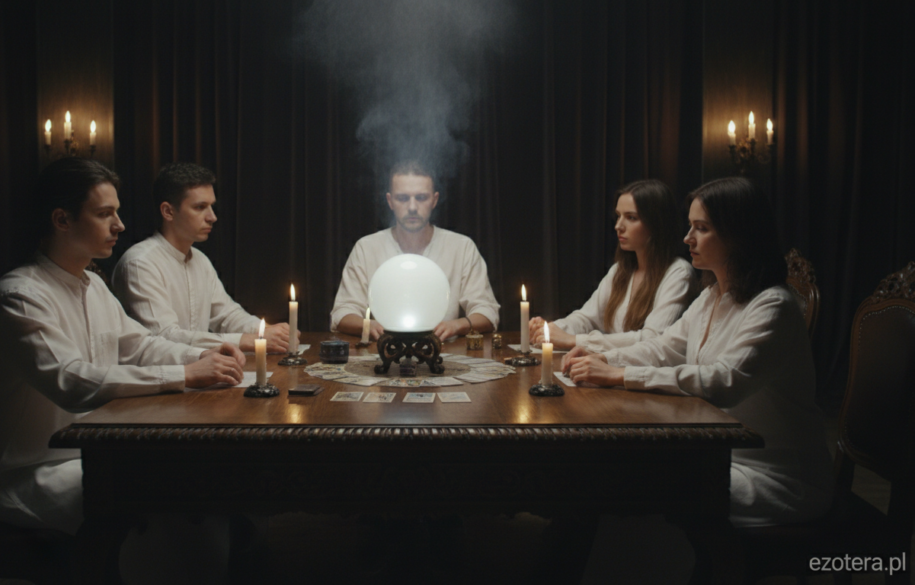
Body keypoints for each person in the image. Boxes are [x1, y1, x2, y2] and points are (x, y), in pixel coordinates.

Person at [0, 158, 246, 582]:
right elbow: (72, 380)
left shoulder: (92, 284)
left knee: (198, 486)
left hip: (93, 450)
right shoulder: (19, 296)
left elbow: (139, 344)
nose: (119, 225)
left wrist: (207, 355)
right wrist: (187, 375)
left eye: (116, 212)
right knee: (164, 507)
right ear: (62, 219)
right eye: (104, 214)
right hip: (30, 471)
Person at [564, 177, 833, 527]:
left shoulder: (773, 306)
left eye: (701, 228)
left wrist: (620, 374)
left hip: (775, 476)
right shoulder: (712, 296)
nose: (687, 238)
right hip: (717, 454)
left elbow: (724, 382)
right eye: (690, 226)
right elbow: (664, 347)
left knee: (632, 492)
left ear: (739, 233)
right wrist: (604, 359)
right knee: (619, 482)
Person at [112, 162, 296, 353]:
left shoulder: (199, 259)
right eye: (200, 207)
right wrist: (249, 339)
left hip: (200, 374)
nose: (212, 217)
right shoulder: (139, 263)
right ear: (168, 211)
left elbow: (226, 315)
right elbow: (164, 336)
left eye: (211, 206)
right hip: (158, 379)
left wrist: (265, 330)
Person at [331, 160, 500, 341]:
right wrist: (368, 325)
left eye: (421, 197)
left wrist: (457, 325)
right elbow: (342, 312)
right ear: (390, 201)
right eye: (403, 198)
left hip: (445, 358)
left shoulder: (462, 247)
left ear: (434, 200)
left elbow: (487, 312)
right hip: (381, 357)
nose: (412, 207)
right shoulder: (366, 248)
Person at [530, 179, 695, 354]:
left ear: (656, 223)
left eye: (631, 218)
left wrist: (573, 340)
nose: (618, 226)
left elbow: (652, 339)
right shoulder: (621, 269)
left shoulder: (679, 273)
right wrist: (549, 328)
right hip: (615, 367)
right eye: (618, 216)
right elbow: (587, 318)